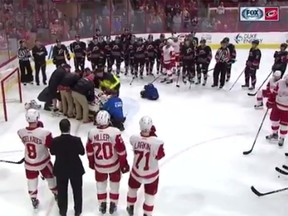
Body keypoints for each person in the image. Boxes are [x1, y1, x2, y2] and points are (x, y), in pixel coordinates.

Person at [86, 110, 129, 215]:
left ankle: (102, 204)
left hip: (99, 165)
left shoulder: (92, 133)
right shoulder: (115, 132)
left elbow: (89, 151)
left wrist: (92, 163)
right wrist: (124, 164)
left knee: (101, 185)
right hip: (113, 165)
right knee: (114, 185)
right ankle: (113, 204)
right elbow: (121, 151)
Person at [17, 109, 57, 209]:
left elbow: (26, 142)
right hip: (43, 161)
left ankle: (33, 198)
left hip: (29, 162)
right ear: (37, 118)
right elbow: (50, 146)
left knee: (31, 180)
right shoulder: (45, 133)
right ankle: (56, 193)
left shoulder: (20, 132)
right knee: (51, 177)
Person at [127, 116, 165, 216]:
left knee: (132, 190)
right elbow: (160, 155)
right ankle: (147, 214)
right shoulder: (157, 142)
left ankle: (130, 206)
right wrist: (153, 136)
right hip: (151, 175)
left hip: (136, 172)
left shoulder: (134, 138)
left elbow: (137, 142)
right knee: (150, 196)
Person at [50, 119, 85, 216]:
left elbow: (52, 152)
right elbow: (82, 152)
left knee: (62, 192)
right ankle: (77, 211)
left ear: (60, 128)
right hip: (75, 169)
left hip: (61, 169)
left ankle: (62, 211)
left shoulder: (55, 141)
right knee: (77, 191)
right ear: (70, 127)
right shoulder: (76, 140)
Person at [266, 75, 288, 146]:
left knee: (284, 125)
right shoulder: (280, 83)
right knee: (274, 120)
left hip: (286, 110)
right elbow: (274, 93)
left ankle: (282, 137)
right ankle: (275, 134)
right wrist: (270, 102)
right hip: (277, 106)